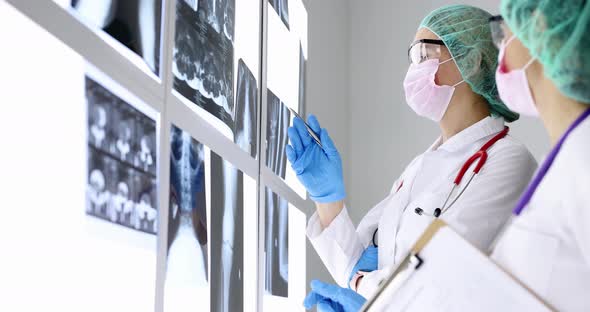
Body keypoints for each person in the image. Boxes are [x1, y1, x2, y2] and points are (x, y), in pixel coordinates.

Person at [287, 5, 538, 311]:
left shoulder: (508, 160)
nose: (414, 68)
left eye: (424, 54)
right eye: (412, 57)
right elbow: (356, 263)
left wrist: (359, 283)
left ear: (472, 61)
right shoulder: (419, 166)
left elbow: (438, 279)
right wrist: (327, 200)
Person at [488, 1, 590, 311]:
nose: (501, 38)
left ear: (541, 27)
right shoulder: (568, 151)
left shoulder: (585, 153)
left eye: (505, 23)